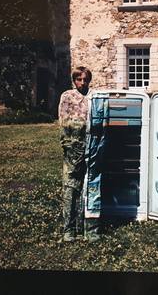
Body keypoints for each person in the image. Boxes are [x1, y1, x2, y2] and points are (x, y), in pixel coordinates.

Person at [58, 66, 92, 242]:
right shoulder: (67, 96)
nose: (82, 82)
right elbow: (63, 122)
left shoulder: (92, 97)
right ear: (74, 80)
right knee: (71, 187)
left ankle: (84, 228)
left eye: (85, 79)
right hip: (73, 147)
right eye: (79, 79)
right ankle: (68, 229)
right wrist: (68, 146)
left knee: (88, 187)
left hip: (91, 147)